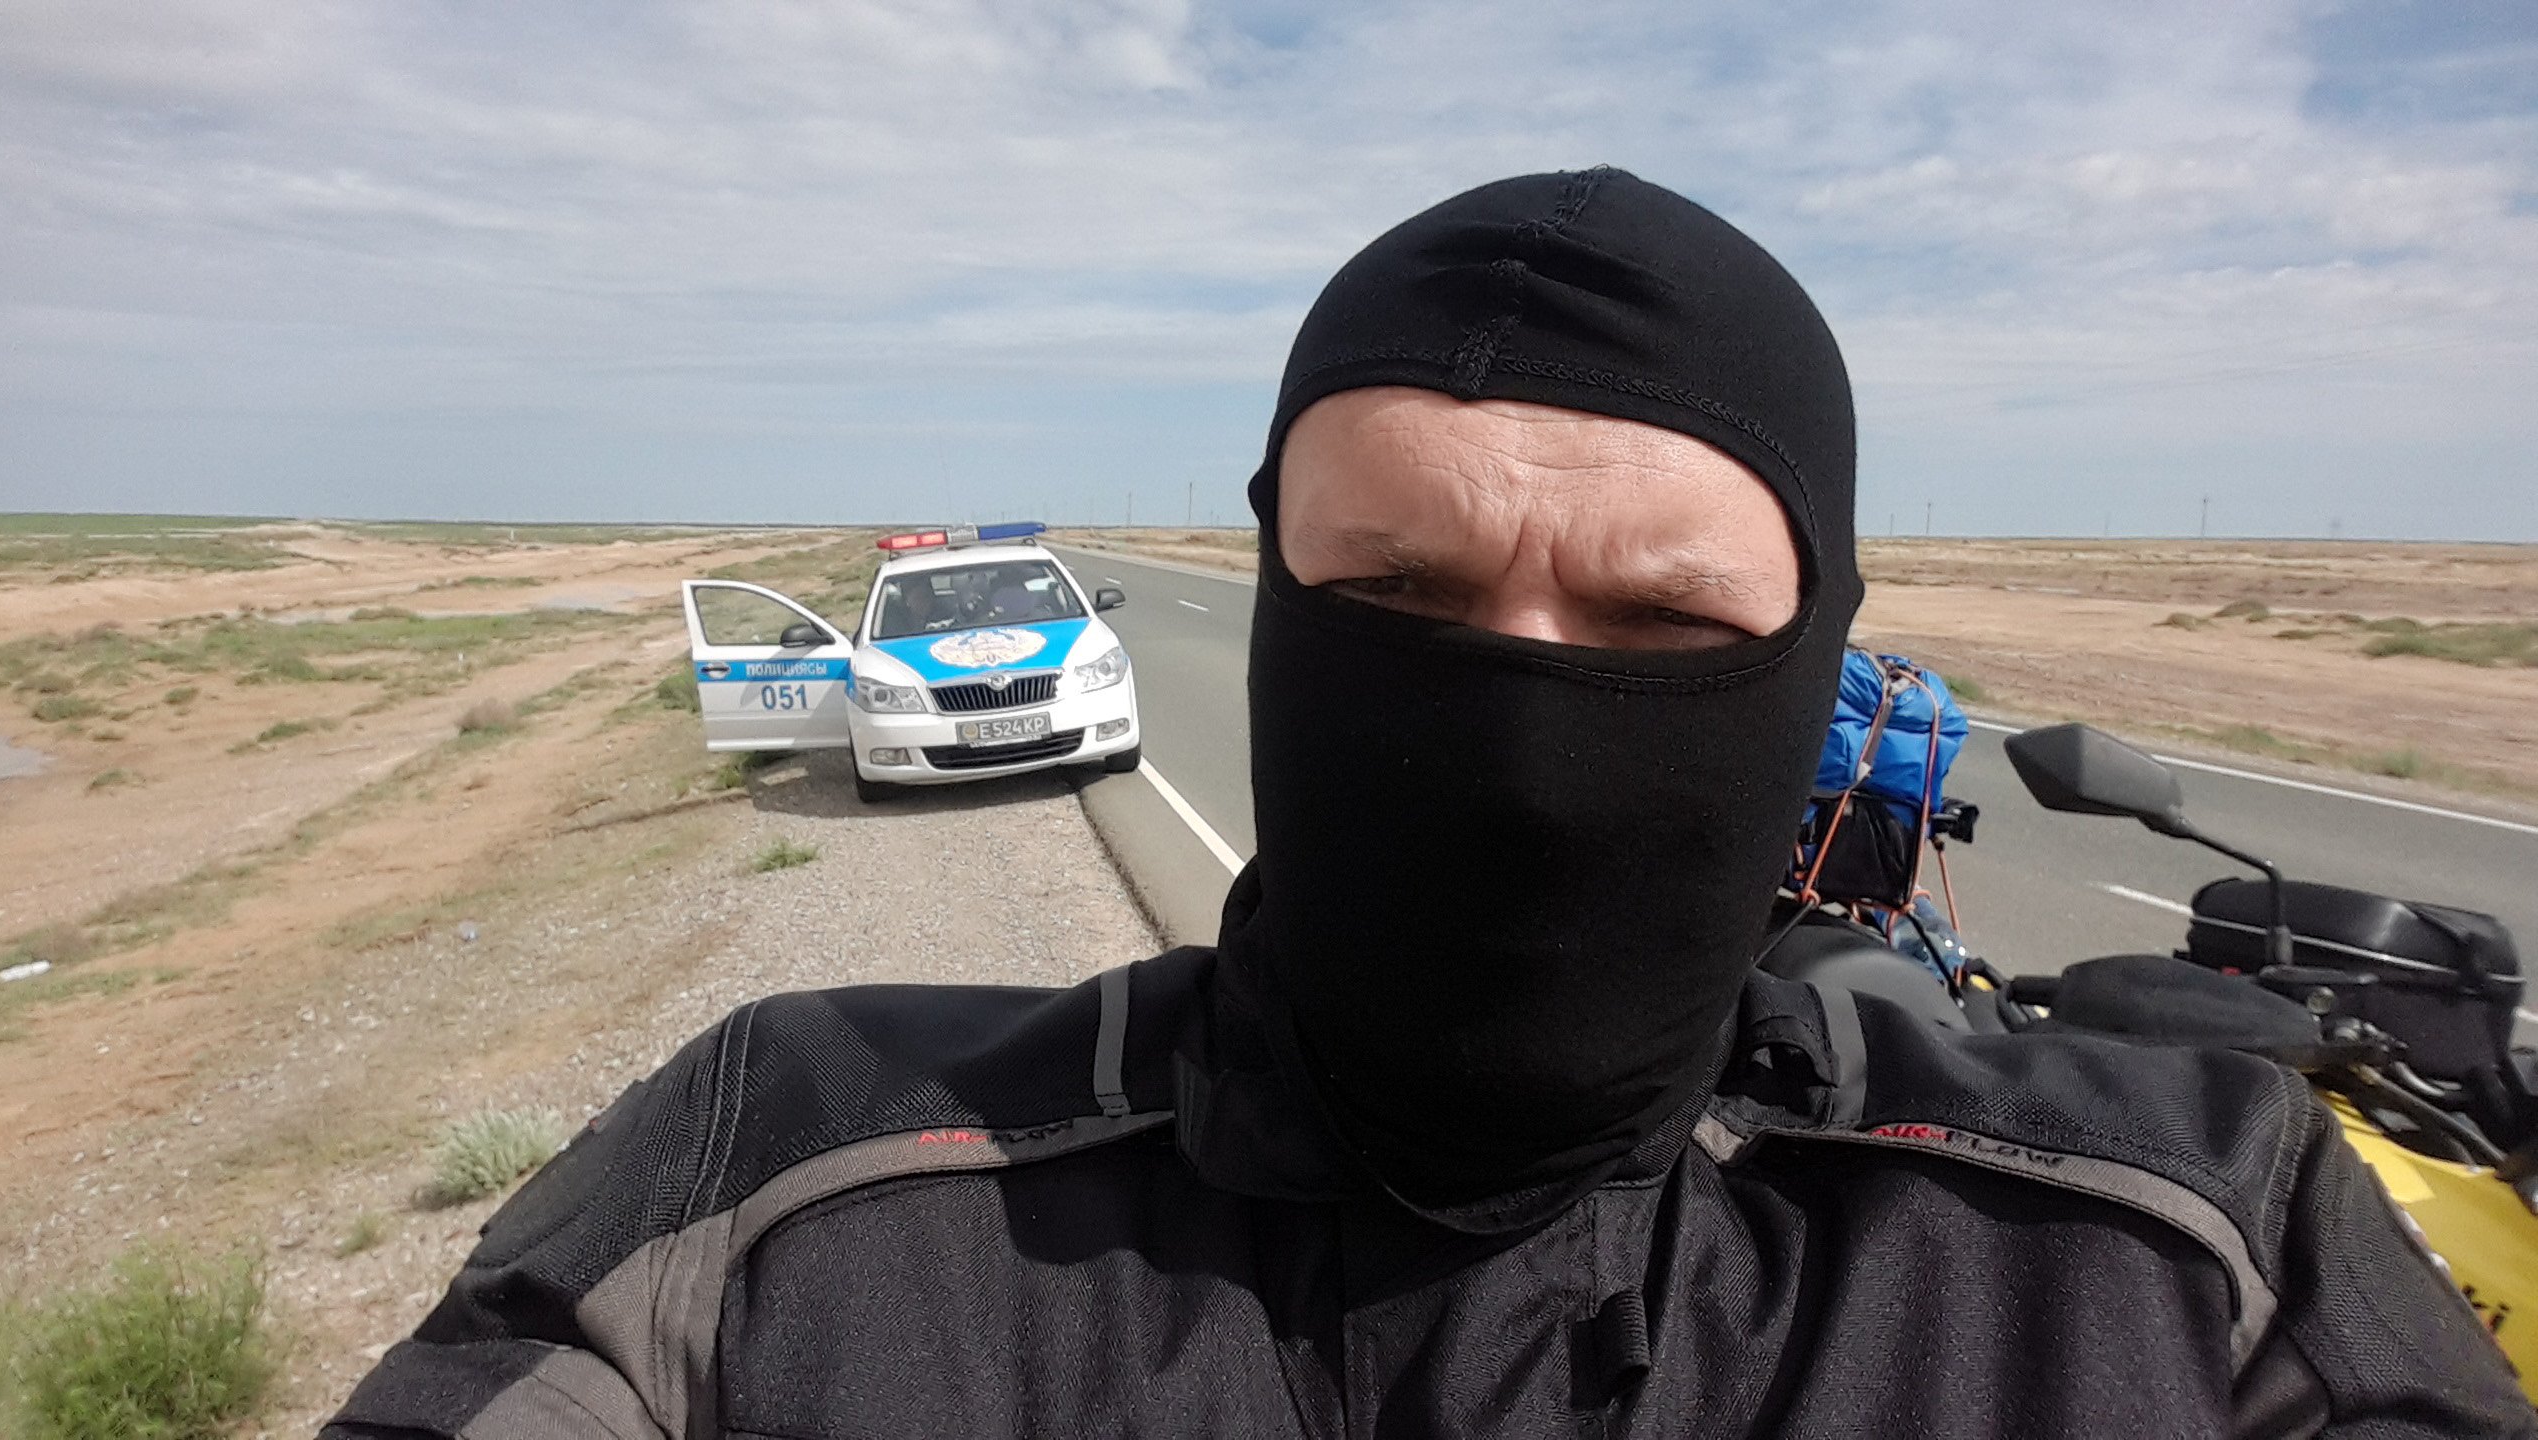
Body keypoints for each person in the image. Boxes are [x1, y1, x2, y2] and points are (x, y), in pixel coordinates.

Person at [324, 170, 2533, 1438]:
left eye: (1661, 622)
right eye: (1397, 597)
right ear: (1274, 600)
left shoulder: (2172, 1251)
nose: (1523, 741)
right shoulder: (804, 1188)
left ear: (1817, 658)